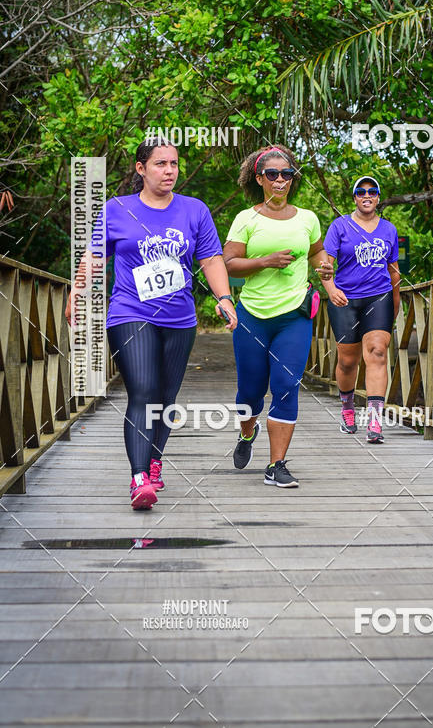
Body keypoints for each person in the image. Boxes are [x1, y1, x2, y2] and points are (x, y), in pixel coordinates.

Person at [65, 140, 237, 509]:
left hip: (180, 318)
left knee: (166, 398)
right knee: (143, 391)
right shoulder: (117, 209)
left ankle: (156, 460)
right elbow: (96, 255)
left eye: (174, 163)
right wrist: (78, 290)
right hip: (130, 313)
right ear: (141, 169)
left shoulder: (195, 210)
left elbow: (210, 259)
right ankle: (139, 477)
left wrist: (223, 298)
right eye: (160, 164)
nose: (170, 170)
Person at [223, 145, 333, 488]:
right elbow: (228, 264)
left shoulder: (308, 218)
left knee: (286, 386)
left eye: (287, 174)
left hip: (294, 316)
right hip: (252, 316)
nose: (281, 180)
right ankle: (246, 433)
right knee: (250, 393)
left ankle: (277, 465)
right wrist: (264, 262)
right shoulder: (246, 219)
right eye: (273, 174)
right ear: (260, 179)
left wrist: (327, 275)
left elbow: (317, 253)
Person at [320, 176, 400, 442]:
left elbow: (394, 271)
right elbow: (325, 267)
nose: (367, 195)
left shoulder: (389, 230)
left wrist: (395, 303)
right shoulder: (340, 226)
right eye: (362, 191)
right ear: (355, 197)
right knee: (347, 361)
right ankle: (347, 408)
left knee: (377, 353)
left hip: (379, 297)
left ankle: (375, 421)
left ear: (378, 198)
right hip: (346, 299)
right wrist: (331, 290)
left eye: (373, 191)